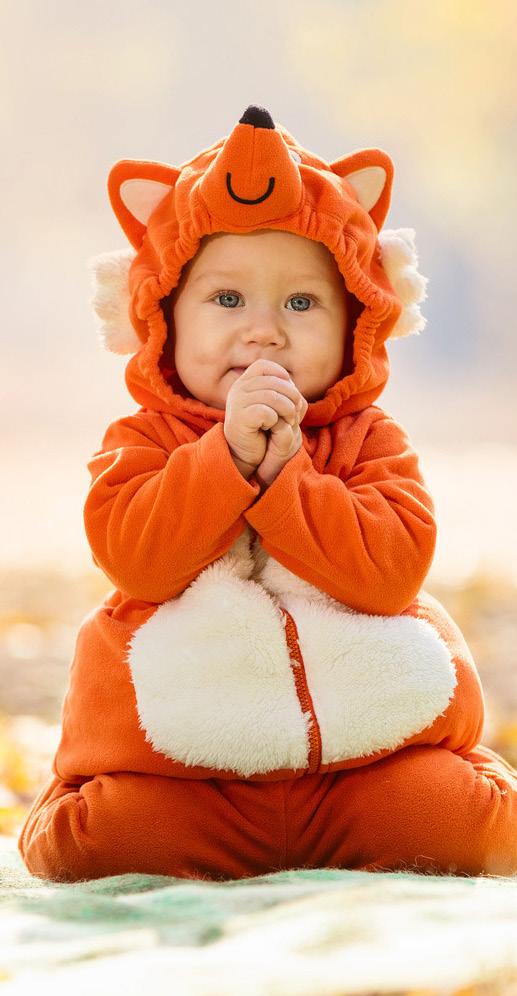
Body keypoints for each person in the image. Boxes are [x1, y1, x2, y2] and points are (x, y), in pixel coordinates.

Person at [18, 105, 517, 883]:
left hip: (359, 768)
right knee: (101, 843)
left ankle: (421, 811)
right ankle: (74, 809)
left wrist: (288, 476)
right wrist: (222, 460)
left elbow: (388, 574)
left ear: (358, 322)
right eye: (225, 301)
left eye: (300, 303)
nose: (262, 331)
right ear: (160, 320)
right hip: (187, 776)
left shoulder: (369, 440)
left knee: (455, 822)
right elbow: (140, 564)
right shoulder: (141, 441)